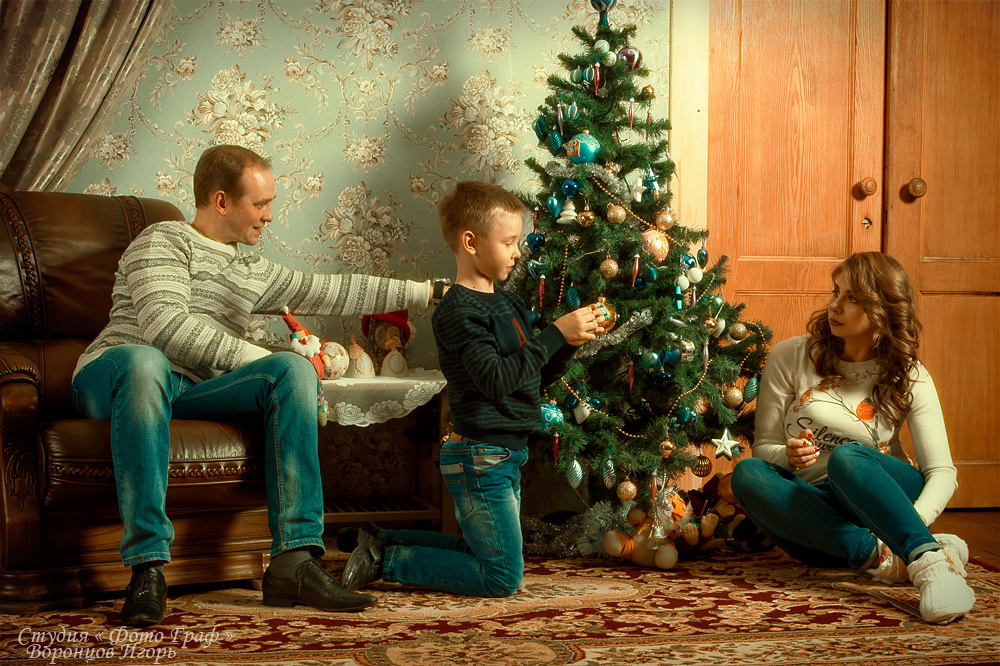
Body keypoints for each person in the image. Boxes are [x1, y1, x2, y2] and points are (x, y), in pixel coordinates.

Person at [71, 145, 448, 627]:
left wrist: (428, 292)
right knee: (146, 361)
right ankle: (147, 567)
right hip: (117, 379)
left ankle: (294, 562)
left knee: (293, 370)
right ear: (221, 201)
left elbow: (332, 289)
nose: (270, 215)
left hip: (188, 392)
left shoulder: (250, 270)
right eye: (261, 203)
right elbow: (167, 328)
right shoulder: (164, 240)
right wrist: (257, 354)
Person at [337, 180, 604, 597]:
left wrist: (567, 344)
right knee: (502, 577)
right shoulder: (458, 309)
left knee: (485, 552)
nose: (517, 252)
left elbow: (530, 379)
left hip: (506, 454)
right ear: (470, 242)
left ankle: (379, 539)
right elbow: (495, 381)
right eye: (508, 242)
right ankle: (384, 560)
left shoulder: (509, 304)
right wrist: (554, 333)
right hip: (481, 457)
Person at [729, 251, 975, 625]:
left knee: (848, 458)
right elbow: (764, 447)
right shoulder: (792, 355)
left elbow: (942, 472)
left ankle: (928, 562)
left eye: (852, 297)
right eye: (836, 292)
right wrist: (788, 456)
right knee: (747, 474)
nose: (835, 305)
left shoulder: (910, 374)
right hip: (818, 513)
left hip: (885, 498)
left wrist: (916, 520)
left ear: (882, 309)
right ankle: (882, 555)